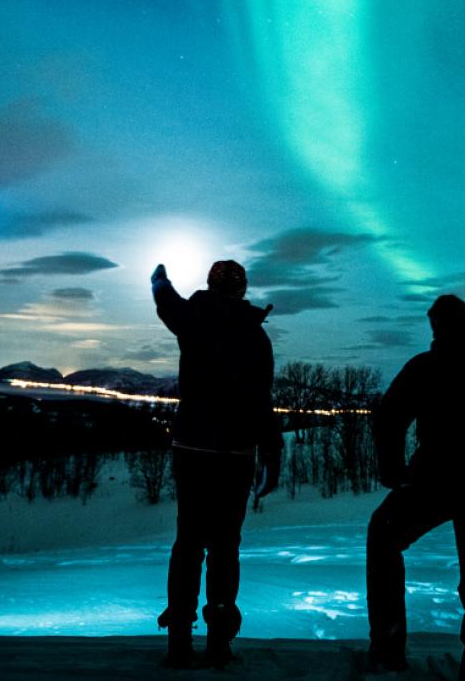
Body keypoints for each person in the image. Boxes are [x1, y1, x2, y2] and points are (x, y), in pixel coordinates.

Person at [367, 295, 465, 678]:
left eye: (437, 323)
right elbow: (390, 417)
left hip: (451, 484)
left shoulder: (431, 367)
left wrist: (392, 467)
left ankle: (389, 646)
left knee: (388, 537)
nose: (435, 329)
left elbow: (389, 417)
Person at [151, 260, 282, 668]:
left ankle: (178, 643)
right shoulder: (256, 336)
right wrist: (272, 454)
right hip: (235, 455)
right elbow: (262, 403)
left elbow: (166, 303)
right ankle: (220, 644)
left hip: (191, 448)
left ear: (210, 285)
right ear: (242, 290)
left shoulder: (192, 319)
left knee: (188, 542)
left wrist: (159, 281)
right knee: (225, 546)